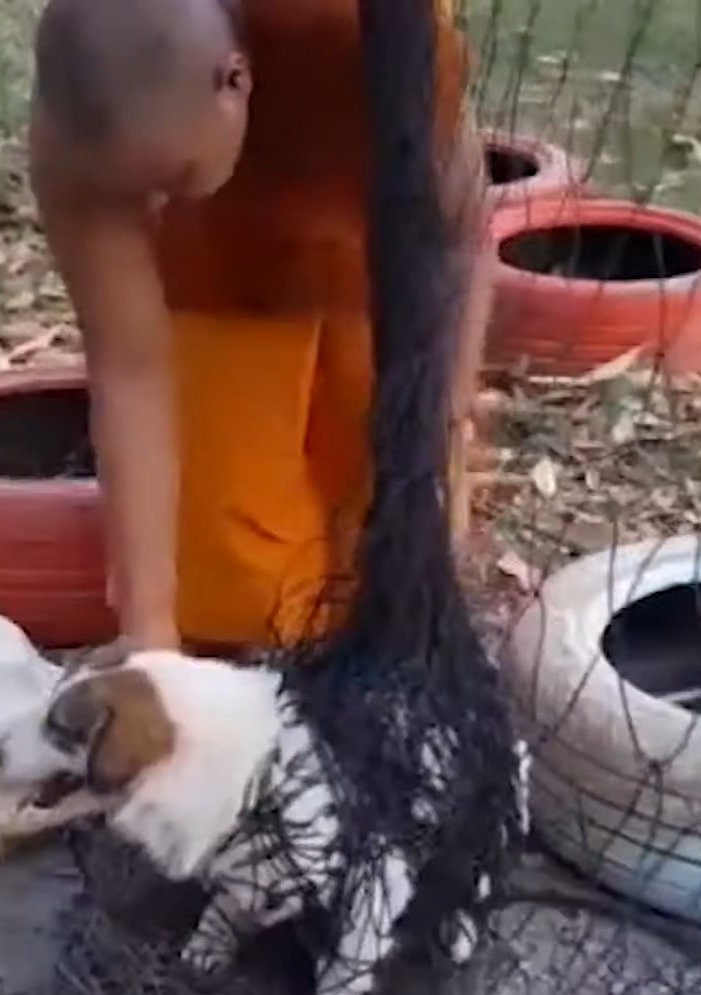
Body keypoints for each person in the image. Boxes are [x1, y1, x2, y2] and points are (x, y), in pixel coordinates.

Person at [30, 0, 491, 655]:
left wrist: (445, 421)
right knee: (234, 587)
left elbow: (462, 245)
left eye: (174, 178)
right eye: (136, 192)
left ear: (235, 80)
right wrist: (150, 634)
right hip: (222, 280)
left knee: (400, 535)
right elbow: (129, 368)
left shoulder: (360, 35)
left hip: (379, 259)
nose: (156, 208)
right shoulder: (81, 124)